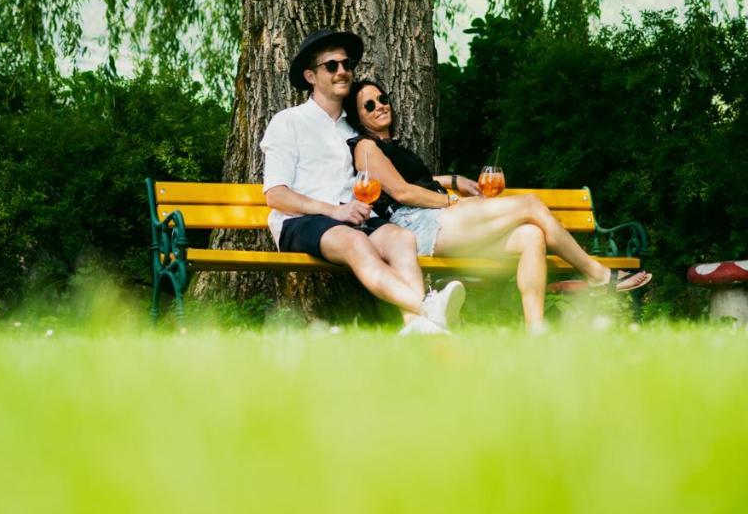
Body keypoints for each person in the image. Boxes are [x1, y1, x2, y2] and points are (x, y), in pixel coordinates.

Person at [342, 79, 650, 332]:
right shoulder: (366, 147)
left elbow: (413, 180)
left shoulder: (389, 148)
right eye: (369, 105)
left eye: (382, 98)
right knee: (529, 204)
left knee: (531, 235)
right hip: (417, 225)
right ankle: (596, 274)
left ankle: (535, 330)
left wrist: (452, 178)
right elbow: (403, 193)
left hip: (437, 219)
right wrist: (451, 200)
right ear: (358, 118)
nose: (380, 105)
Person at [260, 31, 465, 335]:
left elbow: (393, 179)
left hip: (354, 215)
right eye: (331, 66)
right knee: (356, 242)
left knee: (401, 238)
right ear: (310, 75)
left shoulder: (354, 128)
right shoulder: (289, 121)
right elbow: (276, 195)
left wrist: (448, 180)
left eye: (347, 64)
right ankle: (427, 306)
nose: (342, 71)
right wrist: (333, 211)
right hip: (301, 220)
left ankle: (418, 326)